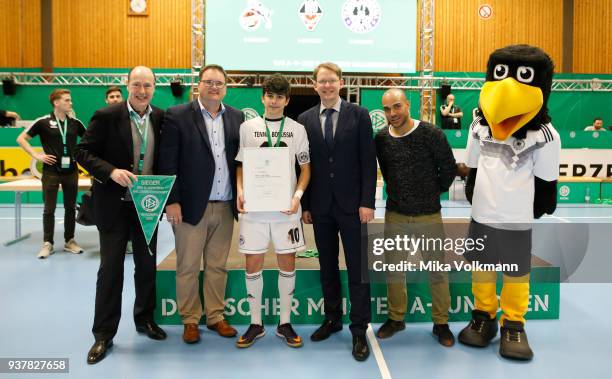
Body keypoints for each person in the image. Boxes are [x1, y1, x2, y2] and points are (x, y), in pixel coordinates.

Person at [76, 66, 167, 364]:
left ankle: (145, 319)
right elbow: (83, 152)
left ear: (155, 87)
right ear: (127, 85)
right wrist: (110, 171)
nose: (142, 91)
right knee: (111, 270)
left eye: (148, 86)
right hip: (113, 206)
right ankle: (103, 335)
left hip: (147, 206)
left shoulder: (161, 117)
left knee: (147, 267)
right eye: (137, 85)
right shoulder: (106, 115)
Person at [157, 64, 243, 344]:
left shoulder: (237, 117)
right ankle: (190, 320)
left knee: (218, 265)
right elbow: (167, 161)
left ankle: (216, 316)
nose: (214, 87)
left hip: (225, 204)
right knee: (188, 266)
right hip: (191, 207)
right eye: (209, 82)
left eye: (219, 82)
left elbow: (240, 162)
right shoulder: (178, 115)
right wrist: (172, 201)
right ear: (199, 85)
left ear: (226, 87)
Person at [297, 62, 377, 361]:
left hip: (353, 207)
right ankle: (332, 319)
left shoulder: (359, 115)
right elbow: (301, 165)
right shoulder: (304, 119)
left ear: (340, 83)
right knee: (327, 266)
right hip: (320, 208)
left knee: (358, 269)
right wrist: (305, 205)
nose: (327, 86)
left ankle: (359, 330)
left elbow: (368, 162)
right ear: (314, 85)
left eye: (332, 81)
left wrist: (367, 202)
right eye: (322, 82)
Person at [374, 89, 457, 346]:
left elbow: (449, 169)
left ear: (408, 105)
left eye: (397, 107)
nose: (392, 114)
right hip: (395, 214)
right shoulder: (381, 139)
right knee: (394, 270)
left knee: (437, 271)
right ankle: (396, 318)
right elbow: (387, 173)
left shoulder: (431, 134)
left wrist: (431, 193)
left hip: (429, 215)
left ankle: (441, 323)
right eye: (387, 109)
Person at [234, 73, 311, 348]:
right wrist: (241, 191)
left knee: (287, 264)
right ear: (263, 97)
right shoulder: (248, 127)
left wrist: (297, 196)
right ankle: (255, 323)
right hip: (254, 211)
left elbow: (305, 168)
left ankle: (284, 323)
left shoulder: (297, 129)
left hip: (286, 210)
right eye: (270, 95)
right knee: (252, 265)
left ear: (287, 100)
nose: (275, 101)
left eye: (280, 96)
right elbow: (241, 165)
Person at [16, 89, 85, 258]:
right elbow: (21, 139)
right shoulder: (43, 122)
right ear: (56, 102)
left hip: (71, 171)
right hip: (50, 171)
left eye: (70, 100)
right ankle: (48, 243)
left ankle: (70, 241)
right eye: (67, 100)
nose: (71, 103)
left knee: (70, 208)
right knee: (49, 209)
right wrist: (36, 155)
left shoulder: (75, 123)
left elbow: (90, 140)